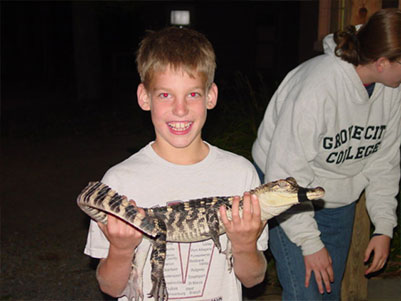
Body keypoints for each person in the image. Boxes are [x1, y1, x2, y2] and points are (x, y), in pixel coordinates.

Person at [84, 26, 268, 301]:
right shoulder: (119, 182)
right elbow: (110, 287)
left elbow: (254, 278)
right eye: (165, 94)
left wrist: (243, 244)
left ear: (211, 96)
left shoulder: (241, 175)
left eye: (192, 94)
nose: (180, 109)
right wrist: (122, 251)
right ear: (144, 97)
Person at [252, 8, 401, 301]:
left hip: (337, 196)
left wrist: (384, 227)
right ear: (382, 62)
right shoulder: (317, 86)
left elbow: (384, 163)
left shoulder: (392, 90)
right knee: (306, 293)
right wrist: (309, 242)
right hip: (285, 189)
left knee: (327, 292)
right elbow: (285, 170)